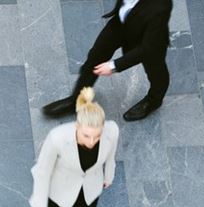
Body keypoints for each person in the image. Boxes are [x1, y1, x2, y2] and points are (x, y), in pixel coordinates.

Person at [42, 0, 172, 122]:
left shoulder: (161, 7)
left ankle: (153, 101)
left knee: (156, 73)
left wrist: (114, 66)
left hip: (150, 42)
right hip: (120, 25)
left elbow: (146, 49)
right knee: (94, 58)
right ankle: (76, 101)